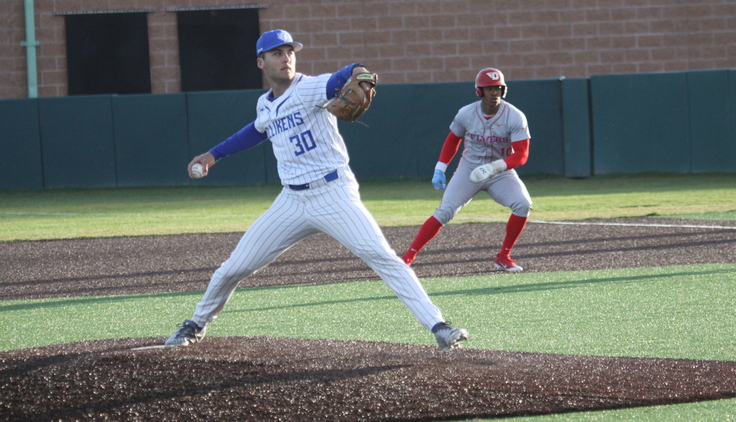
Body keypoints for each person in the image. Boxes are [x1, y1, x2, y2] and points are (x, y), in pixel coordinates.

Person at [165, 29, 467, 352]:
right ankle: (195, 325)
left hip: (333, 193)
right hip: (292, 201)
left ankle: (438, 326)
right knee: (233, 267)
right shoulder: (264, 105)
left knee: (381, 255)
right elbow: (255, 131)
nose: (286, 58)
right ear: (260, 61)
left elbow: (346, 73)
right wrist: (213, 155)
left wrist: (361, 77)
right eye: (277, 53)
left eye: (290, 51)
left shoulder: (308, 88)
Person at [400, 68, 532, 272]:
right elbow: (453, 139)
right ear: (480, 91)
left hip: (500, 170)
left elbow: (522, 155)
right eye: (489, 89)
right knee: (445, 211)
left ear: (503, 90)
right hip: (470, 168)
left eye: (498, 88)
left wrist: (495, 167)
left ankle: (503, 256)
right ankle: (408, 257)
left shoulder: (515, 116)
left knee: (523, 204)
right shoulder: (467, 113)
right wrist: (440, 168)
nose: (494, 93)